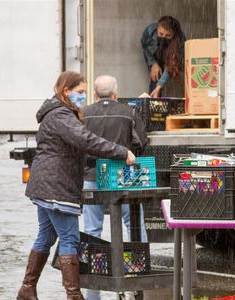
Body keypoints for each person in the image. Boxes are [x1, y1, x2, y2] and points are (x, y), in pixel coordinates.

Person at [17, 71, 136, 300]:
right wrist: (121, 152)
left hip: (46, 183)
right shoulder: (61, 115)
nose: (83, 97)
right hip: (56, 186)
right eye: (80, 93)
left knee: (46, 236)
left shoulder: (57, 113)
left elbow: (73, 150)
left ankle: (27, 289)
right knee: (69, 239)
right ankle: (73, 295)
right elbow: (86, 140)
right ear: (66, 91)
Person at [82, 75, 148, 300]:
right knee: (134, 225)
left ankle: (94, 281)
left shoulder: (84, 113)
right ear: (115, 94)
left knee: (92, 230)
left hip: (92, 175)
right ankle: (135, 273)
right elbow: (141, 142)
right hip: (123, 177)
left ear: (95, 94)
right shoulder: (128, 113)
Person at [141, 15, 186, 97]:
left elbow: (171, 66)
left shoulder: (180, 40)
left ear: (174, 34)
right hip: (155, 56)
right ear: (157, 28)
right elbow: (145, 47)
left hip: (171, 57)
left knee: (168, 75)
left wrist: (159, 86)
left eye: (168, 35)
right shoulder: (149, 31)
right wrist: (153, 63)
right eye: (161, 34)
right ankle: (153, 100)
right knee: (155, 75)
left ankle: (157, 93)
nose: (163, 37)